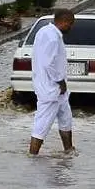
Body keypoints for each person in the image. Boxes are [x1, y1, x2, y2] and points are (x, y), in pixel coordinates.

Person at [29, 8, 77, 155]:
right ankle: (32, 155)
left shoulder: (45, 32)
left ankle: (69, 151)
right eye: (70, 24)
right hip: (51, 89)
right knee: (42, 125)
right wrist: (60, 81)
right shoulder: (52, 38)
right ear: (63, 21)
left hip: (57, 91)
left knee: (66, 119)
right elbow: (48, 63)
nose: (71, 27)